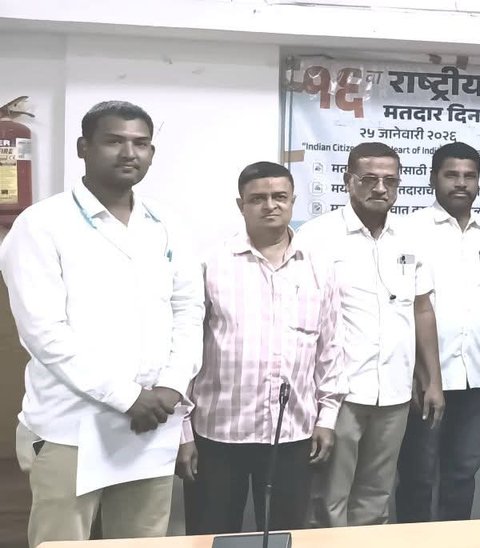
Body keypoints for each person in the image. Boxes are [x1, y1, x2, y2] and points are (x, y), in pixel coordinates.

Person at [0, 101, 202, 547]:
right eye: (114, 141)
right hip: (72, 429)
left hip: (152, 425)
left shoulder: (168, 225)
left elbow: (189, 310)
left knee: (143, 542)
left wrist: (172, 386)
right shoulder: (41, 225)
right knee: (62, 543)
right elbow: (45, 334)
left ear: (151, 152)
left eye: (141, 143)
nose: (129, 153)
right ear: (83, 147)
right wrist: (129, 397)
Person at [178, 161, 346, 534]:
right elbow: (185, 352)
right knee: (211, 534)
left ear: (293, 201)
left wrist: (327, 418)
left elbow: (330, 348)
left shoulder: (318, 266)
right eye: (258, 198)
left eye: (279, 197)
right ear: (241, 205)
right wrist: (183, 431)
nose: (270, 205)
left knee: (285, 535)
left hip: (292, 434)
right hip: (218, 434)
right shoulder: (210, 264)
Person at [298, 142, 444, 527]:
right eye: (369, 179)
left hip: (395, 390)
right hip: (339, 392)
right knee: (329, 498)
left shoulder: (411, 236)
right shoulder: (316, 237)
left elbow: (422, 308)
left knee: (376, 496)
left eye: (390, 181)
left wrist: (433, 380)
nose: (380, 188)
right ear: (348, 181)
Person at [395, 143, 480, 523]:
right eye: (452, 175)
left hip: (478, 376)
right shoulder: (408, 230)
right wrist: (421, 374)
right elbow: (407, 304)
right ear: (433, 179)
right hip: (425, 378)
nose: (461, 183)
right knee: (417, 476)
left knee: (463, 475)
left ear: (478, 182)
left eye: (469, 176)